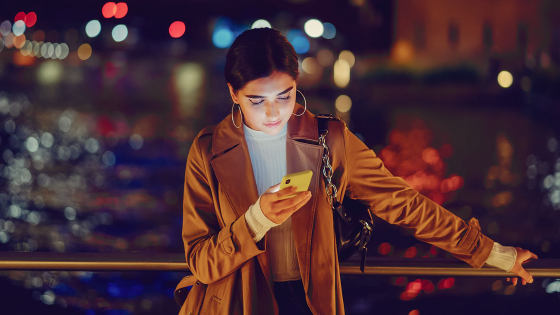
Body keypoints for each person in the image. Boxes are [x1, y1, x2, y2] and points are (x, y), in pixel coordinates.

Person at [176, 27, 538, 315]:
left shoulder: (329, 139)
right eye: (257, 101)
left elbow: (404, 203)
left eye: (284, 96)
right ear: (233, 94)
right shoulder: (208, 150)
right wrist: (256, 219)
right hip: (235, 304)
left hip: (310, 301)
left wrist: (495, 254)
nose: (273, 113)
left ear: (297, 85)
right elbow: (201, 262)